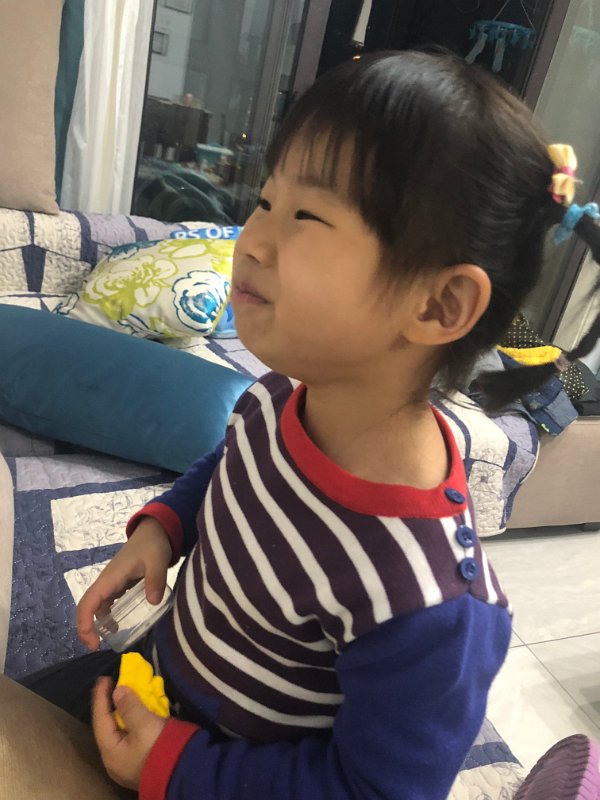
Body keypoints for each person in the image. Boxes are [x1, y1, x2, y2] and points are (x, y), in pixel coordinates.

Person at [23, 51, 600, 799]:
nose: (251, 238)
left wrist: (175, 765)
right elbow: (232, 470)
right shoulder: (278, 399)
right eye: (266, 200)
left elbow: (374, 790)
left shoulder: (430, 606)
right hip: (161, 687)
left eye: (306, 217)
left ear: (439, 306)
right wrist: (164, 529)